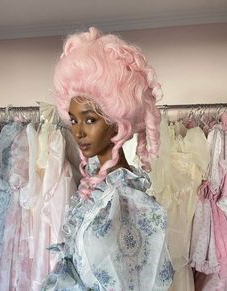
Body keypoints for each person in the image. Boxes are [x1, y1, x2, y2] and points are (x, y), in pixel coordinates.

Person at [42, 27, 173, 291]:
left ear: (116, 122)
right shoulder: (94, 191)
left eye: (90, 120)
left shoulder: (128, 199)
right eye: (74, 120)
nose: (78, 131)